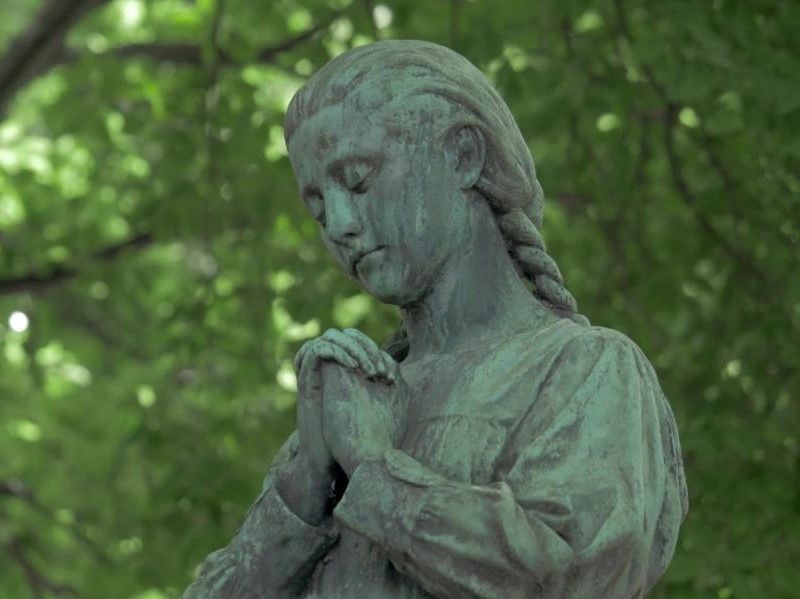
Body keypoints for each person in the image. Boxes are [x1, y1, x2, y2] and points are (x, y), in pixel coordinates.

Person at [183, 40, 688, 598]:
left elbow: (570, 574)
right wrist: (303, 490)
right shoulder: (349, 408)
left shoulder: (584, 369)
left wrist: (373, 471)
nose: (340, 224)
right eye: (319, 209)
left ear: (463, 156)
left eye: (358, 180)